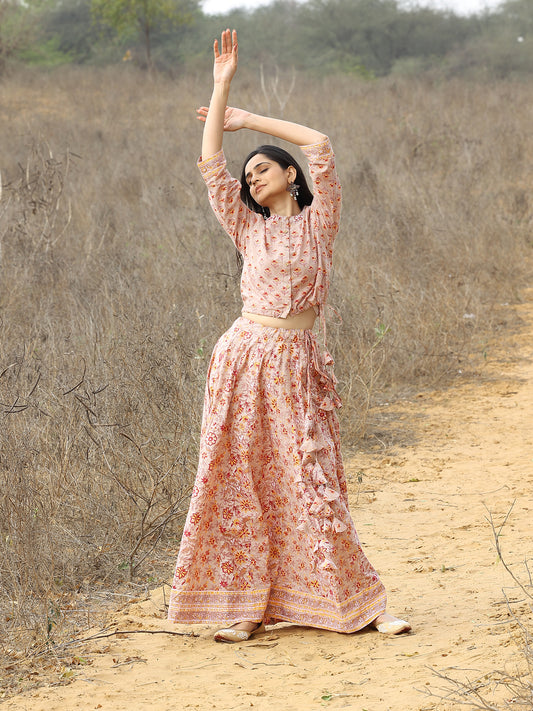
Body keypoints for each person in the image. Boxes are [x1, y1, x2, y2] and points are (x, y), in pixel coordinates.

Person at [167, 29, 411, 642]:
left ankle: (361, 606)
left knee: (312, 480)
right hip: (244, 359)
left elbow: (322, 144)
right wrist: (220, 89)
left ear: (289, 176)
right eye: (248, 173)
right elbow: (209, 165)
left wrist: (250, 119)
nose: (250, 178)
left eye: (263, 168)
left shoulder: (316, 222)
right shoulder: (247, 231)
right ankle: (245, 607)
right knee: (242, 478)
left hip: (296, 364)